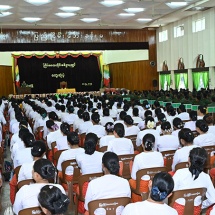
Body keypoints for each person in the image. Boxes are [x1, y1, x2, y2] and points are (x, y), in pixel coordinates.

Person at [173, 147, 215, 215]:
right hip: (195, 211)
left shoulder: (179, 173)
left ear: (189, 159)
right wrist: (202, 205)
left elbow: (171, 192)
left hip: (177, 210)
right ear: (203, 162)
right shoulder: (206, 177)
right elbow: (213, 198)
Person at [130, 133, 164, 202]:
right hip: (156, 184)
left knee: (131, 181)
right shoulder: (159, 155)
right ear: (154, 144)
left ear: (142, 144)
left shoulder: (138, 157)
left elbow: (134, 176)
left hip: (143, 188)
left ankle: (138, 202)